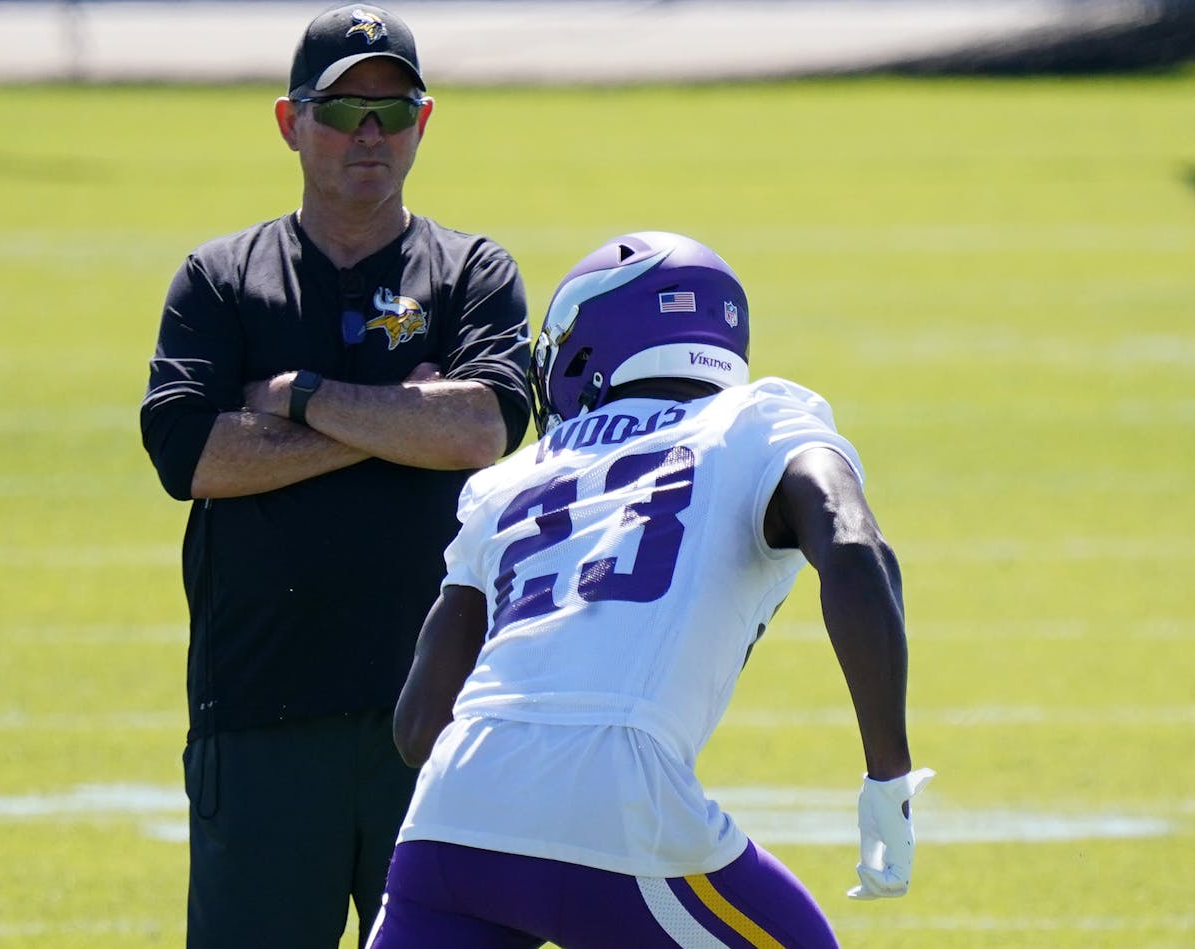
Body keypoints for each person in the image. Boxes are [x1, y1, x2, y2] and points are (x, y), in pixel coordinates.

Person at [367, 231, 934, 948]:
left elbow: (419, 728)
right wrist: (888, 776)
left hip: (452, 809)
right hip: (620, 784)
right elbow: (853, 546)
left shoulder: (507, 478)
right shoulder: (755, 420)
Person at [138, 5, 531, 947]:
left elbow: (483, 426)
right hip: (263, 714)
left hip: (441, 715)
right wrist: (399, 418)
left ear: (423, 125)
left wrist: (298, 396)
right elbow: (190, 457)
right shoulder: (221, 278)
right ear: (289, 122)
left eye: (392, 112)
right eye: (343, 108)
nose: (369, 134)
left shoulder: (473, 271)